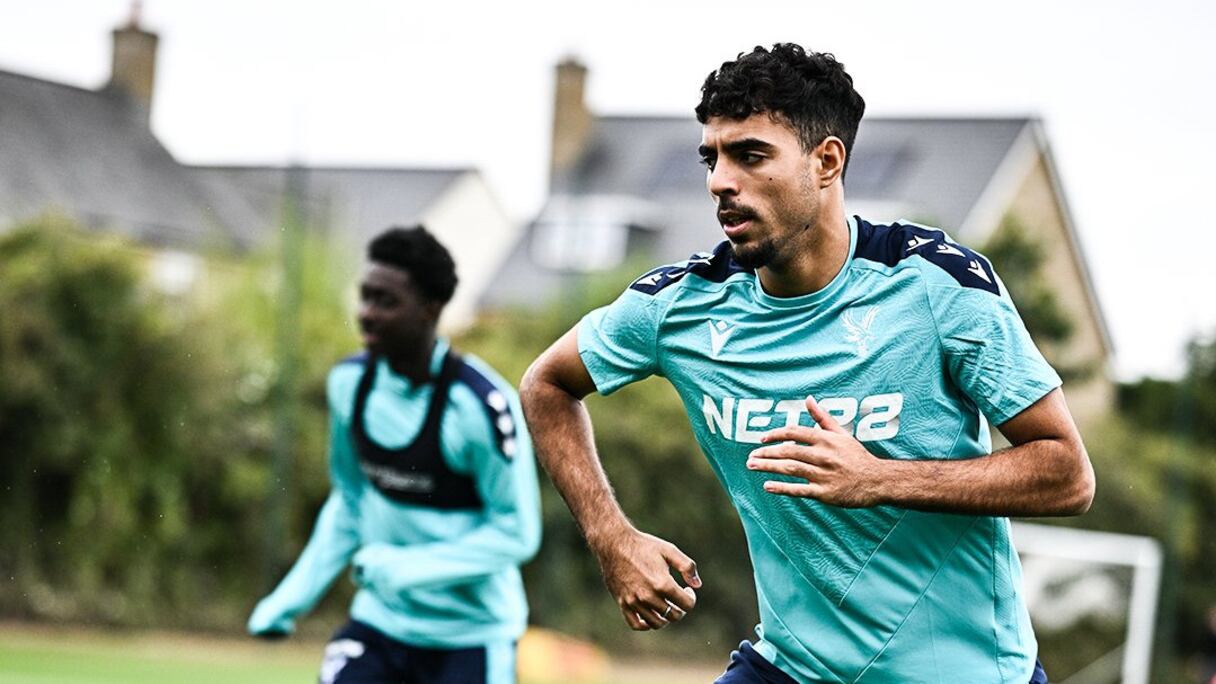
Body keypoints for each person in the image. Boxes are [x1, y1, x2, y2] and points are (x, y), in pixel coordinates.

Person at [519, 44, 1094, 684]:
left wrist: (880, 478)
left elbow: (1068, 474)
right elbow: (546, 382)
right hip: (790, 668)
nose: (719, 181)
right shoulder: (680, 305)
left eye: (751, 155)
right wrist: (612, 537)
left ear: (826, 161)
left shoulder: (937, 284)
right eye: (712, 158)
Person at [248, 225, 542, 684]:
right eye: (364, 297)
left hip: (471, 638)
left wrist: (405, 568)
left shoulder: (482, 406)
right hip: (381, 624)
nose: (366, 314)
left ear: (430, 309)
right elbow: (349, 499)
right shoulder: (349, 386)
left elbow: (516, 532)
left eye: (386, 302)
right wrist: (292, 597)